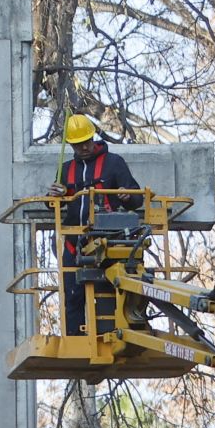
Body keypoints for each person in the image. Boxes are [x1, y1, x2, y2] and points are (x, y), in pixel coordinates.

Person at [50, 115, 141, 335]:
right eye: (78, 144)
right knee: (73, 295)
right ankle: (74, 340)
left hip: (108, 244)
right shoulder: (66, 168)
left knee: (107, 293)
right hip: (75, 244)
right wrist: (54, 195)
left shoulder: (114, 163)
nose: (84, 147)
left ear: (93, 137)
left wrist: (128, 197)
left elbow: (138, 198)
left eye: (87, 141)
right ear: (71, 145)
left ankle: (110, 336)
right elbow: (52, 203)